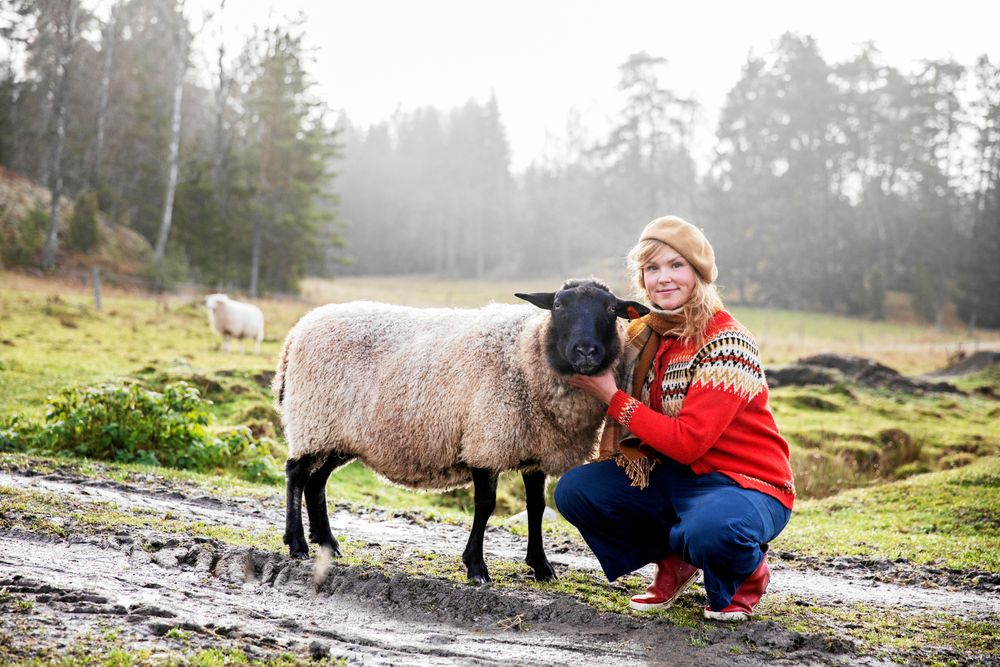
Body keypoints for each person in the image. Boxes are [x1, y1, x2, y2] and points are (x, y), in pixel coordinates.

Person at [554, 215, 794, 622]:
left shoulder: (726, 342)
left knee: (712, 530)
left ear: (698, 273)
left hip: (744, 483)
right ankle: (676, 560)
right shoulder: (643, 334)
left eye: (676, 265)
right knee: (577, 490)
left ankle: (745, 576)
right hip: (673, 474)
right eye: (652, 268)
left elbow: (688, 442)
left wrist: (614, 399)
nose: (663, 279)